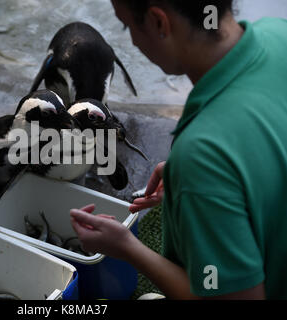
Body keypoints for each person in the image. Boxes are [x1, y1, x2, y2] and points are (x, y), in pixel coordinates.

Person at [70, 0, 287, 299]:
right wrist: (226, 184)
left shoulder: (203, 152)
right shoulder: (278, 34)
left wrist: (127, 248)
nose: (131, 39)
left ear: (160, 23)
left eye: (127, 25)